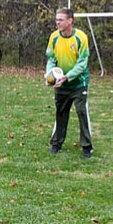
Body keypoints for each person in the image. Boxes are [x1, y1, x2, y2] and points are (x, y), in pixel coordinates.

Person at [45, 8, 93, 158]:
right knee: (60, 112)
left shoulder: (81, 37)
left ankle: (86, 147)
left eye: (61, 20)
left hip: (79, 83)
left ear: (70, 21)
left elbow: (82, 63)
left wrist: (68, 76)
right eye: (56, 19)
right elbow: (51, 59)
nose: (57, 22)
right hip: (61, 85)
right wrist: (49, 75)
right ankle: (56, 144)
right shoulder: (54, 37)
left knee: (81, 112)